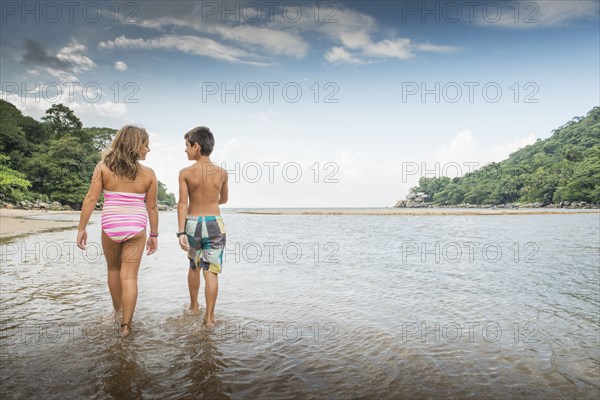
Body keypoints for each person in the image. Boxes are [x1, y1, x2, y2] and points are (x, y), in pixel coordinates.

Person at [77, 125, 159, 337]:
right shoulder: (149, 174)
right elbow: (151, 207)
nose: (148, 149)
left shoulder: (103, 167)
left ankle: (117, 312)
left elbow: (91, 199)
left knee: (113, 270)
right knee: (130, 277)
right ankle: (126, 326)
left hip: (111, 225)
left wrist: (82, 228)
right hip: (136, 227)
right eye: (146, 145)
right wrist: (154, 235)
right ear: (135, 146)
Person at [177, 126, 228, 325]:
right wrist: (212, 201)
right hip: (215, 223)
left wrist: (180, 231)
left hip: (193, 224)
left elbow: (182, 203)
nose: (185, 150)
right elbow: (223, 199)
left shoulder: (186, 173)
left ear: (196, 146)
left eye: (187, 146)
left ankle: (194, 306)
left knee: (194, 266)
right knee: (211, 271)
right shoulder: (222, 173)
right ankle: (209, 318)